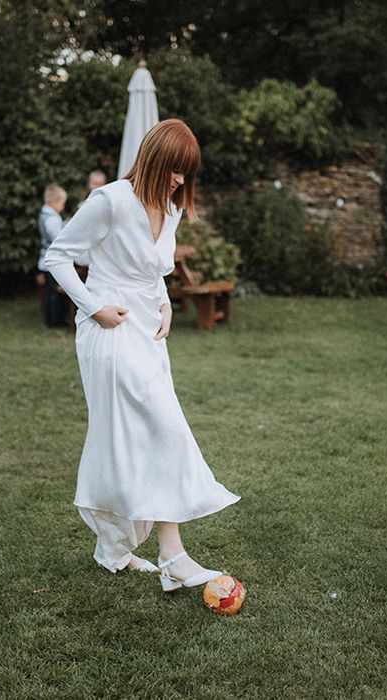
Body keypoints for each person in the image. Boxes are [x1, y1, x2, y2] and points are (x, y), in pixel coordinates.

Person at [44, 119, 241, 591]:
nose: (179, 181)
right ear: (152, 157)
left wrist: (167, 303)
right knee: (163, 426)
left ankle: (113, 547)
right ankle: (174, 556)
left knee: (128, 440)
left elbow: (154, 273)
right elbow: (57, 256)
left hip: (149, 333)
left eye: (186, 173)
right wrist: (93, 308)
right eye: (174, 169)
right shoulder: (110, 200)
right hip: (108, 331)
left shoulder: (171, 209)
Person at [37, 184, 69, 327]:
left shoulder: (45, 215)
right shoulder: (52, 218)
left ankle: (55, 318)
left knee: (53, 291)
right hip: (50, 261)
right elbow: (57, 237)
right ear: (55, 201)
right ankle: (54, 320)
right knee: (54, 292)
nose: (62, 206)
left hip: (45, 260)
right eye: (62, 203)